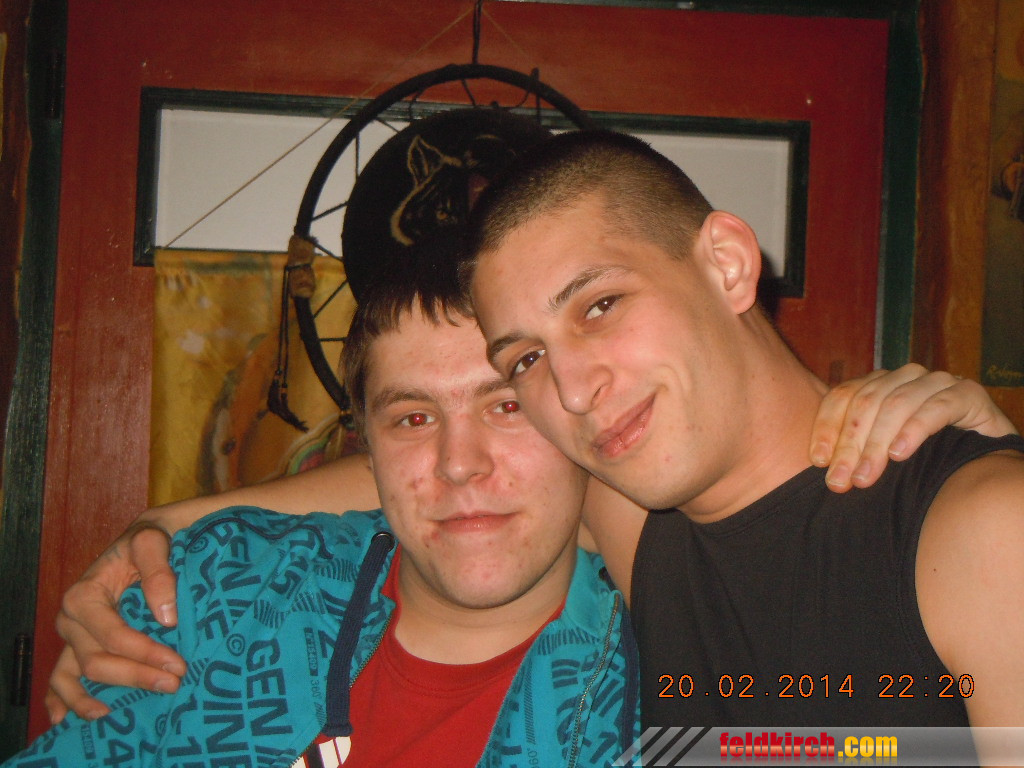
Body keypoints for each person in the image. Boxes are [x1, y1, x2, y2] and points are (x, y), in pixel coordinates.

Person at [464, 129, 1024, 733]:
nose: (572, 392)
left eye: (600, 306)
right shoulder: (623, 517)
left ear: (727, 265)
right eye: (526, 359)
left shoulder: (983, 531)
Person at [4, 279, 640, 767]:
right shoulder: (216, 589)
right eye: (413, 419)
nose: (458, 464)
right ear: (366, 444)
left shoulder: (675, 668)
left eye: (506, 407)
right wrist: (172, 528)